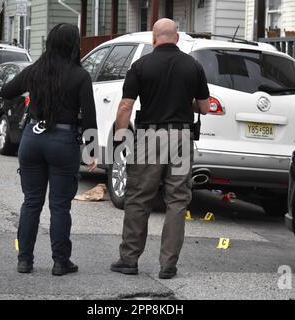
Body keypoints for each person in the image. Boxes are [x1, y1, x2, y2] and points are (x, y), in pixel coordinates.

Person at [110, 18, 210, 279]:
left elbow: (125, 106)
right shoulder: (193, 66)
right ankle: (168, 265)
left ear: (154, 39)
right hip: (181, 137)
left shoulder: (141, 65)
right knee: (177, 200)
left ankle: (129, 260)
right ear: (176, 38)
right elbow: (205, 107)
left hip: (149, 137)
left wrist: (121, 136)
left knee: (139, 197)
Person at [1, 23, 98, 276]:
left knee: (31, 202)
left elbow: (6, 91)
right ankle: (60, 261)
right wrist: (91, 151)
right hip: (62, 142)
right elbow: (89, 118)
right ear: (74, 45)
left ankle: (24, 260)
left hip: (32, 138)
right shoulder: (80, 75)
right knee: (59, 206)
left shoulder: (35, 71)